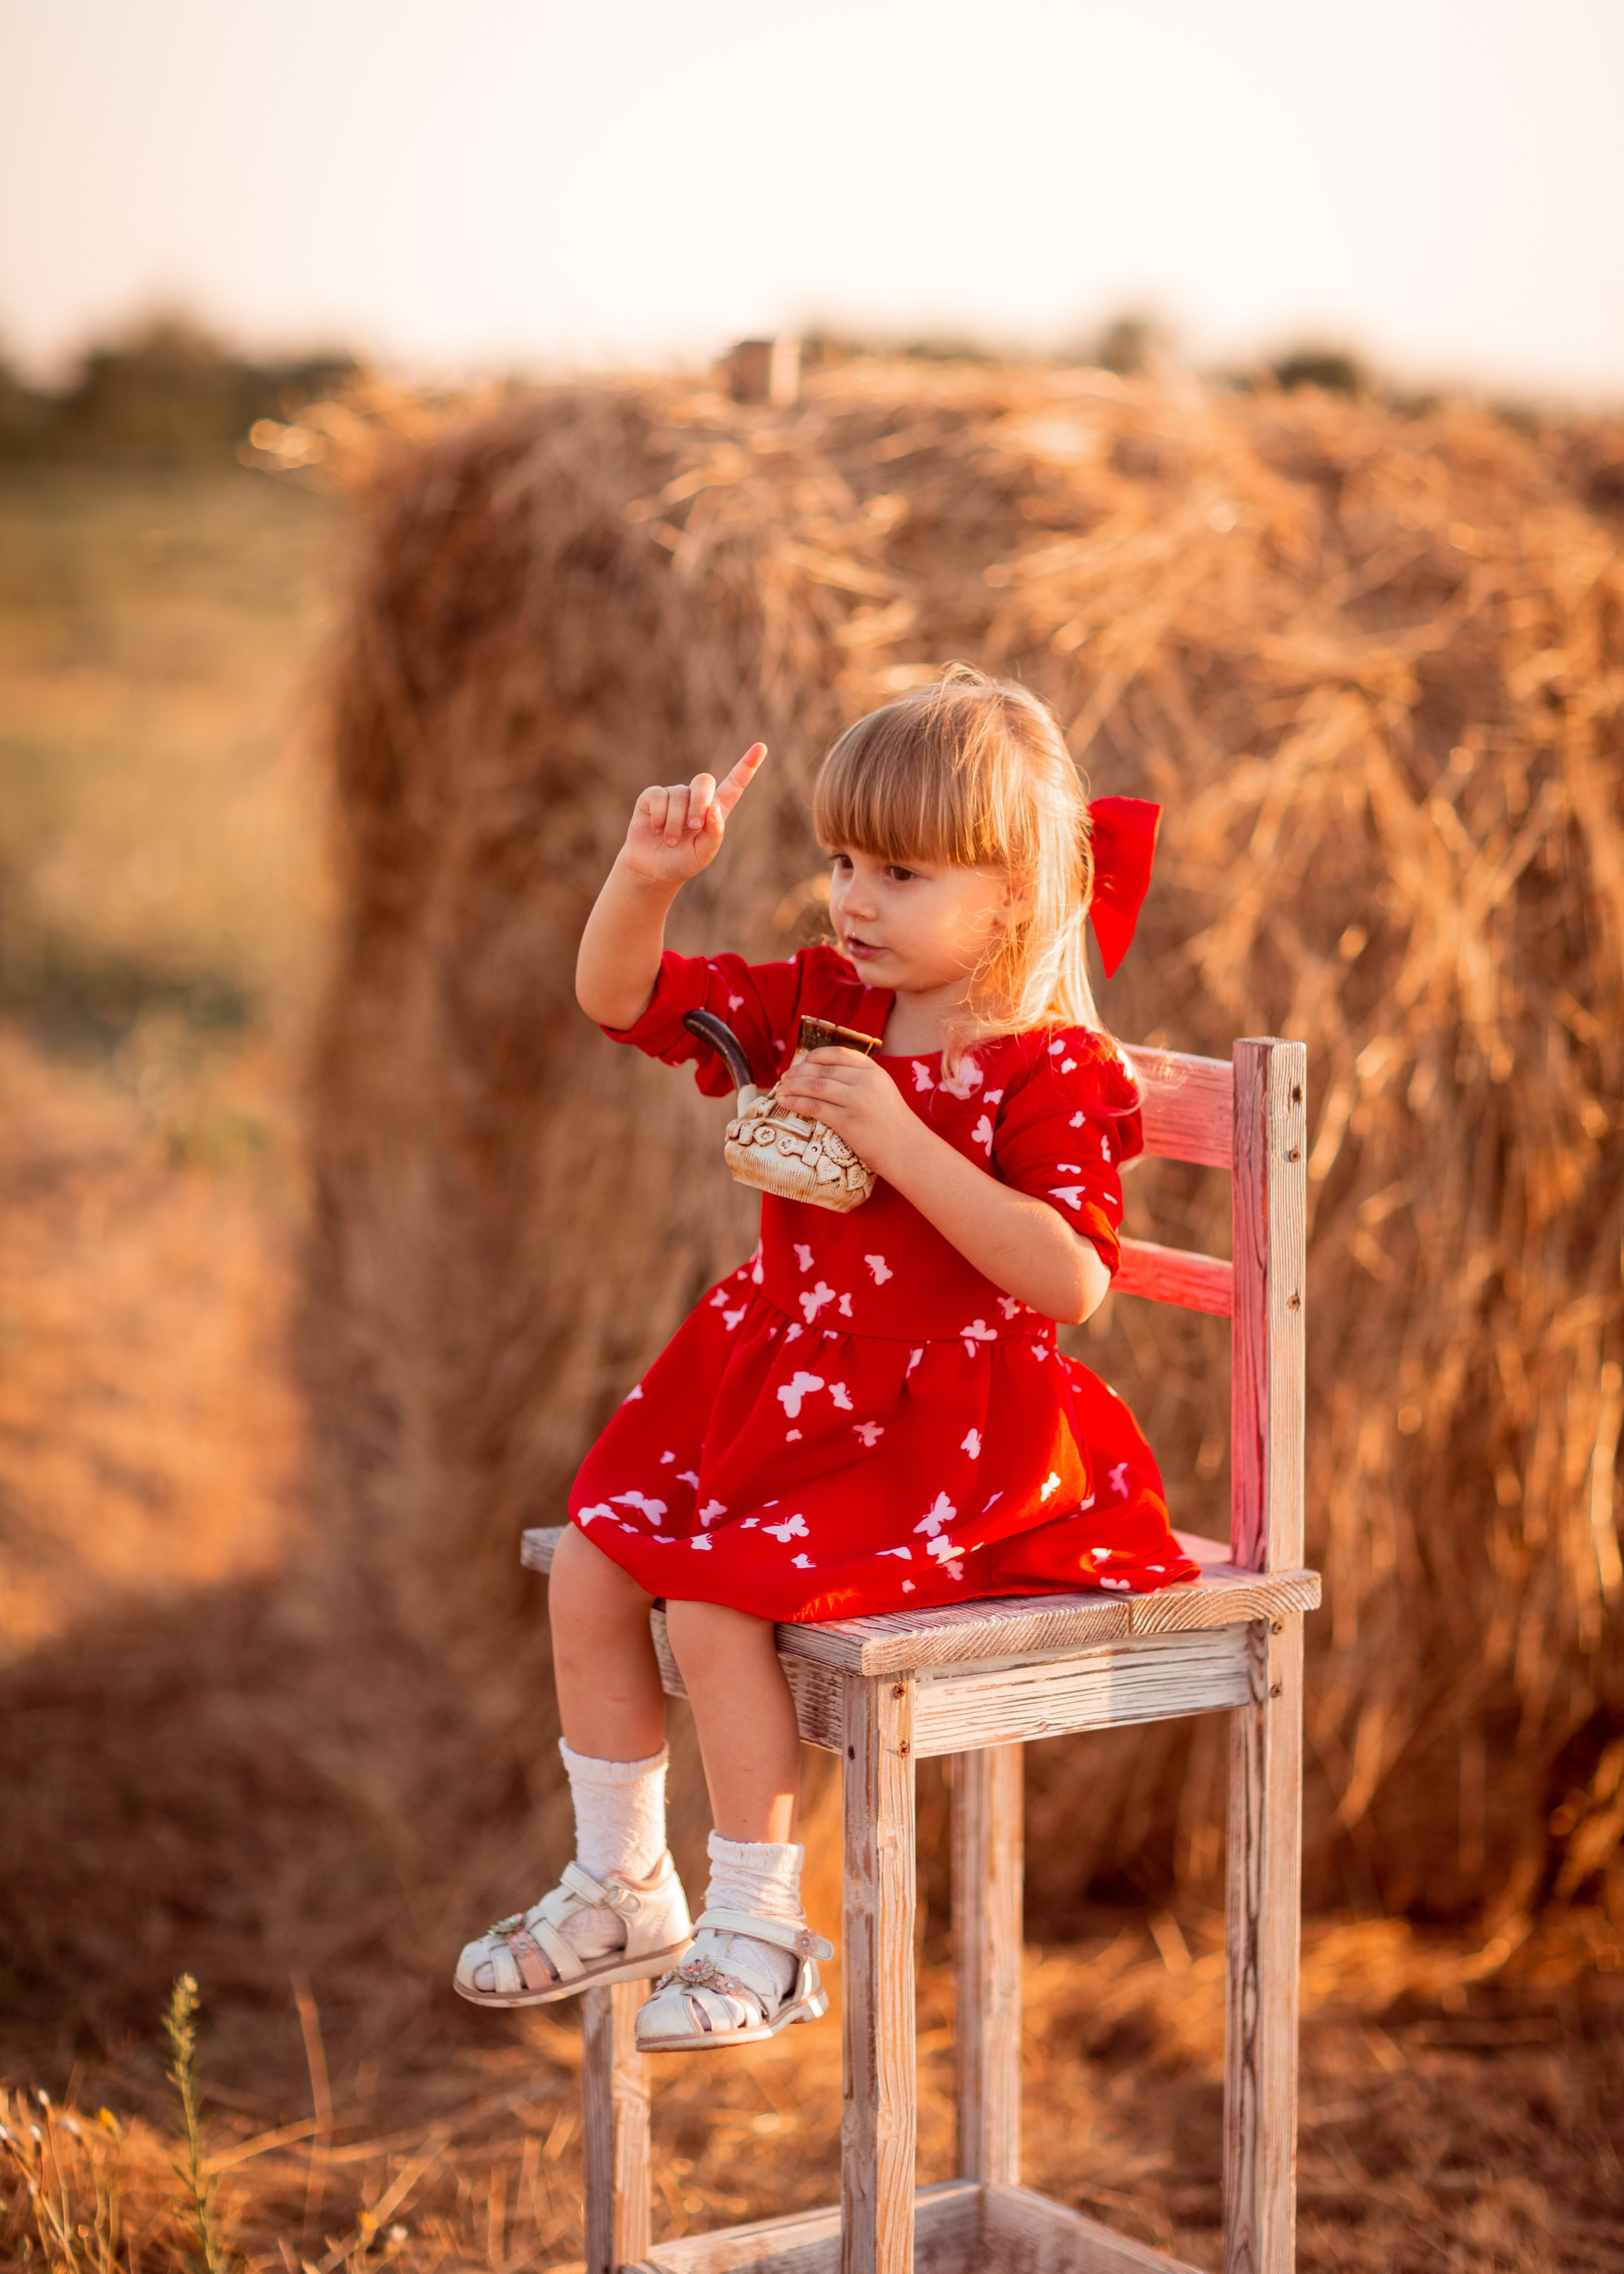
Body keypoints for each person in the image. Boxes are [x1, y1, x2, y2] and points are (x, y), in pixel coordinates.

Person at [455, 667, 1198, 2051]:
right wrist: (645, 876)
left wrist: (904, 1144)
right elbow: (621, 1001)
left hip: (943, 1430)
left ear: (1014, 891)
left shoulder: (1048, 1069)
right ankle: (625, 1885)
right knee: (604, 1560)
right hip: (783, 1382)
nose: (852, 898)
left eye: (900, 870)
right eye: (842, 860)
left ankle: (764, 1928)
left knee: (714, 1604)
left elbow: (1072, 1277)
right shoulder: (820, 1000)